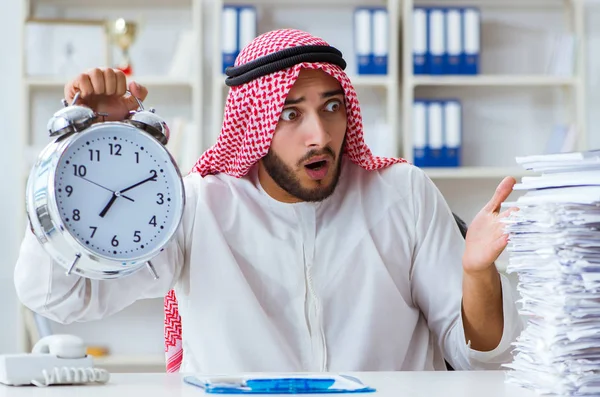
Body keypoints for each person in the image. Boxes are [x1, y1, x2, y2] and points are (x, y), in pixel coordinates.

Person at [14, 29, 523, 374]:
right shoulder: (194, 206)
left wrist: (478, 274)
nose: (320, 135)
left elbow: (476, 355)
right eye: (289, 114)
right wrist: (85, 148)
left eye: (331, 108)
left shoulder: (402, 193)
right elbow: (57, 296)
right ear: (253, 122)